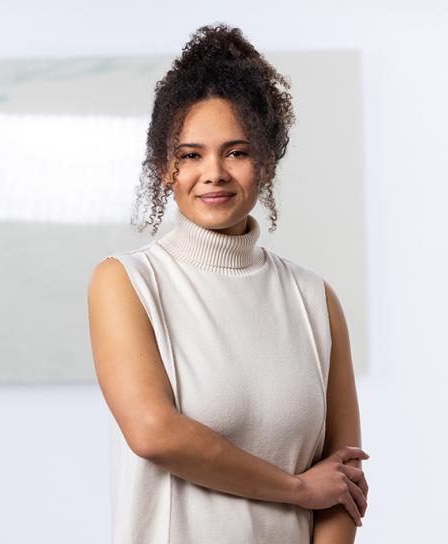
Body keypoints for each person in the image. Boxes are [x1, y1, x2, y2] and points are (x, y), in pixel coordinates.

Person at [87, 23, 369, 544]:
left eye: (236, 152)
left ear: (266, 163)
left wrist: (318, 494)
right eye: (191, 155)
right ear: (165, 169)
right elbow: (154, 434)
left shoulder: (314, 299)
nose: (213, 173)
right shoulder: (128, 283)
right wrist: (296, 489)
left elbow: (342, 480)